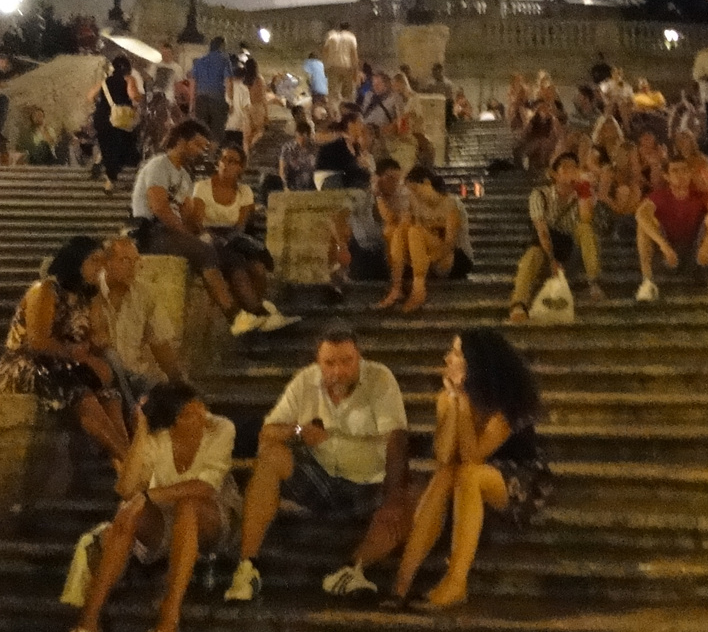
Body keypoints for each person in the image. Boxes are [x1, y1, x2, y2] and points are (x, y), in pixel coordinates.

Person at [225, 324, 413, 601]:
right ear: (318, 362)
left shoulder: (379, 379)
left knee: (413, 497)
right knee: (270, 456)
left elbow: (396, 438)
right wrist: (299, 431)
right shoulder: (305, 382)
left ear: (359, 356)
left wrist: (394, 494)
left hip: (368, 482)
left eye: (347, 361)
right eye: (329, 363)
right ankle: (247, 567)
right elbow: (268, 432)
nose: (338, 371)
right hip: (321, 478)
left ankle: (353, 570)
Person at [59, 383, 238, 632]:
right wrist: (141, 431)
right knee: (128, 509)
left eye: (200, 407)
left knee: (187, 506)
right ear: (171, 423)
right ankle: (88, 622)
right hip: (166, 518)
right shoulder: (159, 438)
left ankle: (168, 622)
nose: (202, 415)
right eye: (190, 414)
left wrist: (149, 494)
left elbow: (205, 488)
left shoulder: (221, 428)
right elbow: (127, 487)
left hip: (213, 516)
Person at [389, 331, 550, 609]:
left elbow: (473, 457)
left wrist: (462, 402)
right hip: (472, 471)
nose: (447, 358)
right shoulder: (447, 396)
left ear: (476, 362)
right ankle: (400, 584)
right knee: (443, 476)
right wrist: (452, 404)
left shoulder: (507, 403)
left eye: (456, 353)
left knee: (466, 474)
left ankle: (456, 582)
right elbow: (442, 456)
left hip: (521, 478)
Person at [0, 235, 129, 465]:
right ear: (77, 263)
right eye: (95, 261)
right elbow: (38, 342)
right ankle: (127, 459)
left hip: (65, 363)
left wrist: (93, 346)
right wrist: (77, 354)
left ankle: (125, 467)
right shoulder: (45, 290)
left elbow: (98, 338)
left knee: (110, 393)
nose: (102, 267)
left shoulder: (87, 298)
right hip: (27, 364)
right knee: (82, 394)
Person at [131, 121, 241, 325]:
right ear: (182, 141)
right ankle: (233, 314)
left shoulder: (184, 176)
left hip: (171, 232)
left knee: (221, 248)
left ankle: (247, 309)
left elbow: (187, 214)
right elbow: (159, 207)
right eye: (197, 145)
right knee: (204, 251)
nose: (200, 152)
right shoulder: (159, 165)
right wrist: (187, 235)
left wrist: (200, 230)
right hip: (151, 233)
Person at [193, 144, 301, 336]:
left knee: (258, 269)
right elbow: (198, 222)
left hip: (233, 238)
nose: (226, 164)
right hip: (208, 238)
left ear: (241, 167)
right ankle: (259, 314)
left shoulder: (245, 192)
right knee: (237, 268)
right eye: (223, 159)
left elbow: (241, 225)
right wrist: (215, 238)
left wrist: (231, 239)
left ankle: (257, 316)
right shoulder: (202, 187)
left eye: (232, 161)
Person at [93, 235, 186, 412]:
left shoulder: (144, 295)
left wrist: (182, 387)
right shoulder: (91, 292)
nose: (132, 268)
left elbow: (162, 348)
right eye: (125, 261)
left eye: (135, 261)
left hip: (135, 376)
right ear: (107, 263)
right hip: (102, 377)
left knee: (166, 397)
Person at [509, 152, 604, 320]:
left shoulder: (581, 194)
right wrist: (552, 261)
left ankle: (593, 281)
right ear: (554, 174)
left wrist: (584, 189)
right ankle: (519, 304)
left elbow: (586, 218)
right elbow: (542, 232)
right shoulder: (540, 195)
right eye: (565, 168)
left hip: (570, 249)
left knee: (585, 228)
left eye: (574, 167)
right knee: (532, 255)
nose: (571, 171)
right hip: (546, 248)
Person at [635, 156, 708, 302]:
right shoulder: (659, 196)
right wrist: (663, 245)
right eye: (675, 171)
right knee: (643, 226)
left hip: (697, 252)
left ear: (690, 173)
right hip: (669, 253)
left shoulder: (700, 195)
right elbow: (640, 214)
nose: (681, 175)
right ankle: (647, 282)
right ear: (667, 176)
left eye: (684, 170)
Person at [385, 166, 470, 313]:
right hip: (425, 259)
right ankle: (396, 287)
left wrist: (425, 260)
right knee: (398, 231)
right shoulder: (415, 204)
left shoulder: (451, 204)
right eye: (411, 193)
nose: (414, 196)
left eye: (415, 190)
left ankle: (418, 288)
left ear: (427, 183)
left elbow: (449, 244)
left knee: (415, 231)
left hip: (454, 258)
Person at [329, 157, 410, 291]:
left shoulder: (399, 199)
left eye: (397, 180)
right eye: (390, 178)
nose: (395, 184)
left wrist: (379, 197)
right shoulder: (361, 196)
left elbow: (392, 220)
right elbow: (335, 218)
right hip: (363, 252)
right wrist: (342, 247)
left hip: (389, 254)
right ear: (377, 178)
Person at [90, 55, 142, 194]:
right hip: (119, 120)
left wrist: (103, 104)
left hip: (101, 118)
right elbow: (133, 95)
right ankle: (109, 182)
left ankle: (100, 159)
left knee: (108, 147)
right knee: (121, 148)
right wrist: (139, 98)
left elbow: (90, 96)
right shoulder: (128, 79)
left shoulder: (104, 81)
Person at [316, 108, 374, 189]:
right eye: (360, 122)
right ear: (350, 125)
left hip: (344, 177)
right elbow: (349, 168)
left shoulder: (355, 147)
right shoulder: (338, 141)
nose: (362, 126)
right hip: (329, 178)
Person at [188, 36, 231, 139]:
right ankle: (212, 154)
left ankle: (201, 153)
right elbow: (228, 82)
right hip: (217, 100)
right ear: (222, 46)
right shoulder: (224, 60)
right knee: (216, 133)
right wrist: (230, 101)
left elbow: (193, 83)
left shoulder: (200, 61)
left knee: (201, 132)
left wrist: (192, 103)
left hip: (201, 100)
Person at [322, 21, 360, 105]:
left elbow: (325, 52)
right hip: (347, 67)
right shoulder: (351, 37)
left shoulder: (331, 36)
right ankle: (345, 112)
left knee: (333, 94)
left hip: (333, 67)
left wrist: (325, 66)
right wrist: (356, 71)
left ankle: (333, 112)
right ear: (349, 29)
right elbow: (354, 55)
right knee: (347, 94)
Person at [278, 117, 318, 192]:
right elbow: (282, 170)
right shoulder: (287, 148)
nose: (301, 140)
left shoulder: (315, 148)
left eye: (304, 138)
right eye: (299, 137)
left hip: (311, 186)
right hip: (293, 186)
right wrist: (285, 187)